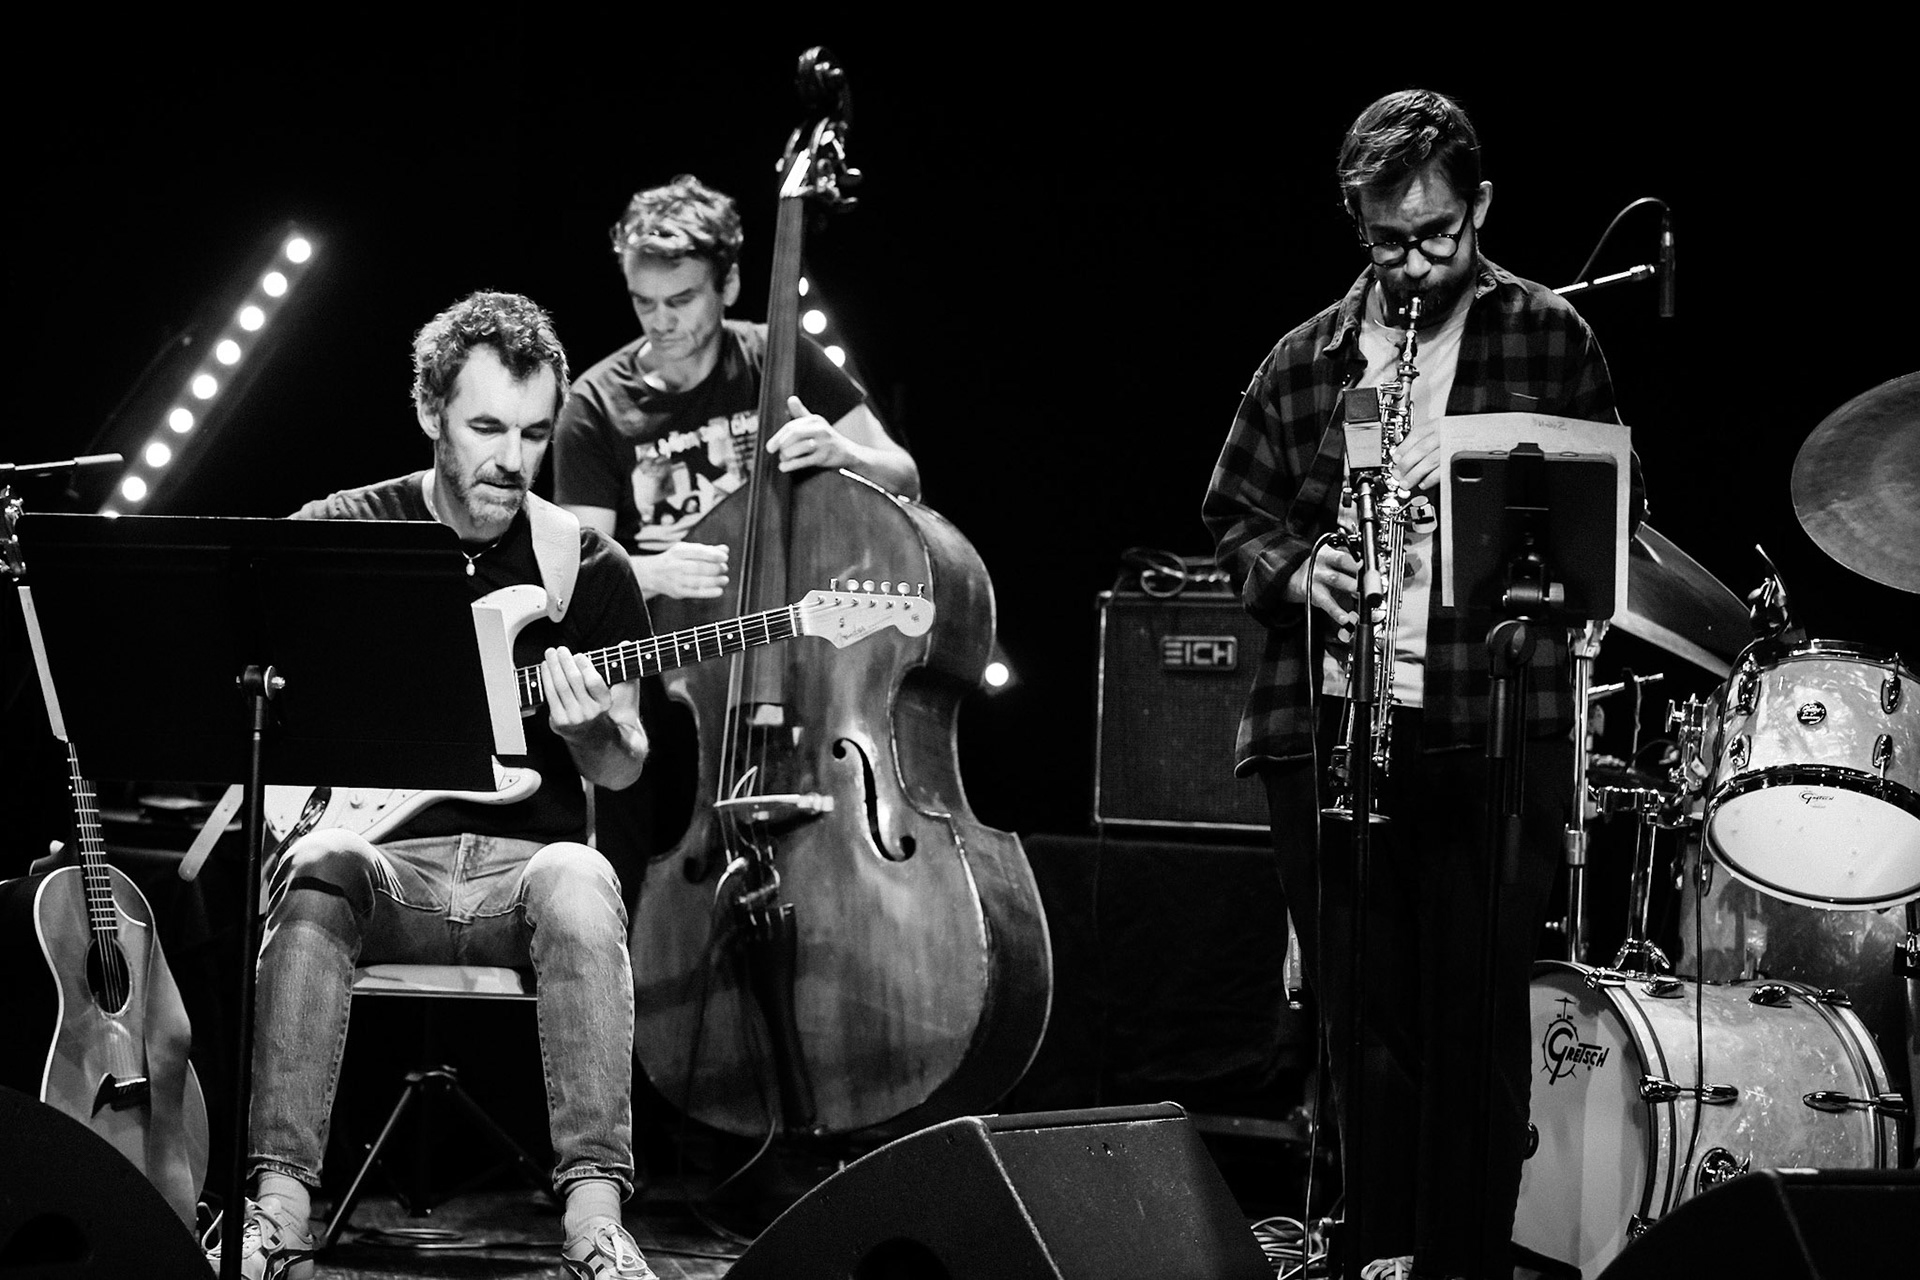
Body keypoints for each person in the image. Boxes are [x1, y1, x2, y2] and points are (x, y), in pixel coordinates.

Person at [1203, 90, 1643, 1280]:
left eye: (1439, 233)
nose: (1415, 263)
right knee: (1367, 1037)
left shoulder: (1550, 337)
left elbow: (1614, 514)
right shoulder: (1306, 356)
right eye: (1388, 240)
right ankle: (1373, 1254)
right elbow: (1234, 519)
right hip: (1330, 727)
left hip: (1492, 724)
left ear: (1481, 205)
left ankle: (1461, 1265)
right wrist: (1302, 571)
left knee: (1479, 1030)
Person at [209, 291, 660, 1280]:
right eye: (487, 426)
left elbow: (625, 761)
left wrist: (593, 731)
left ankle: (595, 1221)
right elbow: (259, 678)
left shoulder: (586, 563)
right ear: (431, 414)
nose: (511, 456)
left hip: (522, 876)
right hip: (385, 863)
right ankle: (276, 1208)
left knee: (584, 875)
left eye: (534, 432)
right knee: (320, 860)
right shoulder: (346, 529)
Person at [552, 173, 918, 891]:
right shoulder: (594, 405)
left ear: (729, 283)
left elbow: (904, 476)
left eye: (682, 299)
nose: (661, 322)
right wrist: (650, 572)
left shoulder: (779, 358)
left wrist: (846, 455)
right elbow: (577, 564)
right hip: (679, 675)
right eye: (642, 302)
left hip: (797, 651)